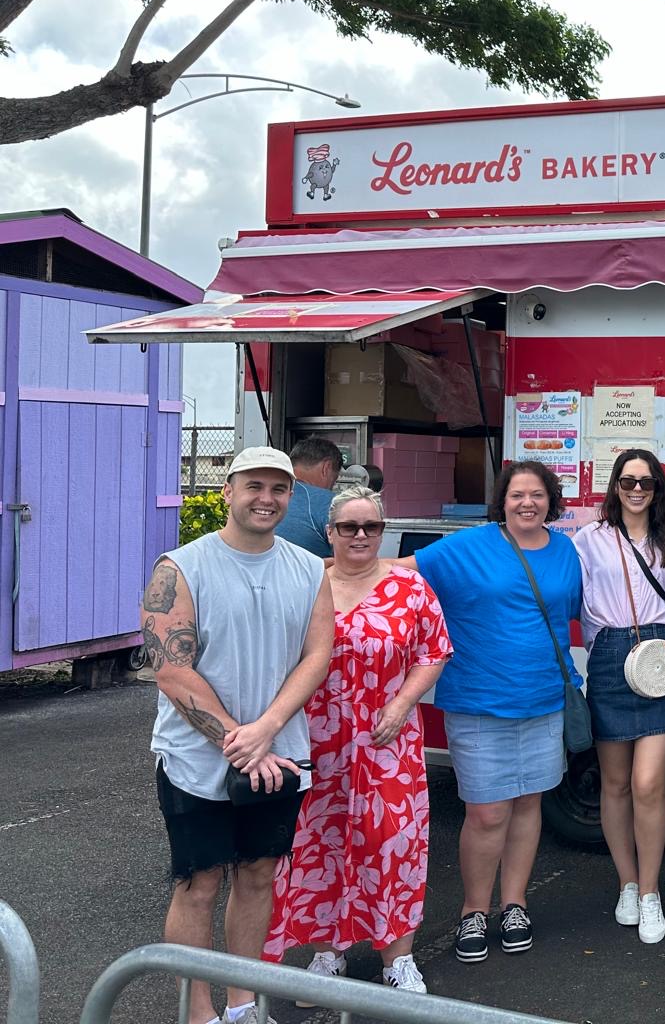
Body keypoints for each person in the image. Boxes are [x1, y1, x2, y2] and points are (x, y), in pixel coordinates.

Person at [141, 446, 333, 1024]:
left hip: (280, 755)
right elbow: (171, 669)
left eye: (278, 488)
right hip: (193, 761)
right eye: (254, 486)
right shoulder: (181, 567)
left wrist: (267, 730)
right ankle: (197, 1012)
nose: (265, 499)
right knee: (197, 884)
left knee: (258, 876)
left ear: (290, 495)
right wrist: (238, 738)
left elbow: (316, 655)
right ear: (227, 491)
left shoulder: (308, 568)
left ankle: (243, 1006)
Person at [389, 460, 582, 963]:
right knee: (486, 812)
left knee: (528, 805)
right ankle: (474, 909)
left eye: (537, 495)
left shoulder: (565, 551)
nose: (527, 503)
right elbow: (399, 571)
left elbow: (575, 611)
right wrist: (321, 570)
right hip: (478, 701)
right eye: (517, 495)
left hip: (544, 700)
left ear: (551, 501)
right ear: (503, 500)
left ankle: (514, 904)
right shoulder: (468, 545)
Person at [264, 486, 453, 995]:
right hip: (317, 738)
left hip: (387, 738)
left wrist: (403, 702)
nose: (361, 535)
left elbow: (434, 651)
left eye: (372, 526)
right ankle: (329, 952)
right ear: (330, 532)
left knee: (393, 843)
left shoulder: (409, 587)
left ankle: (399, 957)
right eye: (349, 526)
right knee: (320, 843)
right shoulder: (309, 585)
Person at [574, 449, 665, 945]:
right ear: (615, 486)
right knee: (615, 784)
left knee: (648, 783)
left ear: (657, 489)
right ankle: (626, 883)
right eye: (628, 481)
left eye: (645, 482)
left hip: (661, 657)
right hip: (610, 655)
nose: (636, 489)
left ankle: (650, 892)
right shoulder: (589, 538)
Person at [276, 437, 344, 558]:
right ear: (326, 468)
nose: (332, 487)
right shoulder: (329, 502)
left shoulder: (268, 499)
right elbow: (351, 561)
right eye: (334, 480)